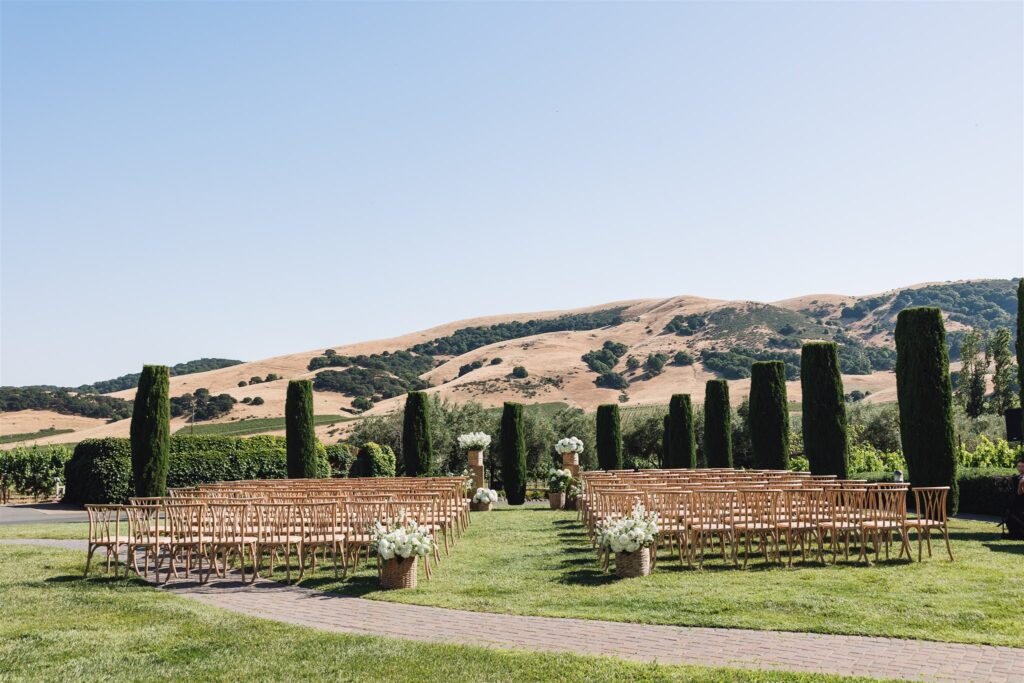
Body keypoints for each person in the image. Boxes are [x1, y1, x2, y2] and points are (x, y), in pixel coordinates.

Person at [1004, 457, 1024, 540]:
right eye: (1018, 466)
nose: (1020, 468)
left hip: (1022, 504)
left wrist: (1020, 484)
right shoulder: (1018, 476)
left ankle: (1019, 534)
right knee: (1009, 517)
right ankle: (1013, 533)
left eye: (1022, 466)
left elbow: (1020, 492)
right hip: (1016, 503)